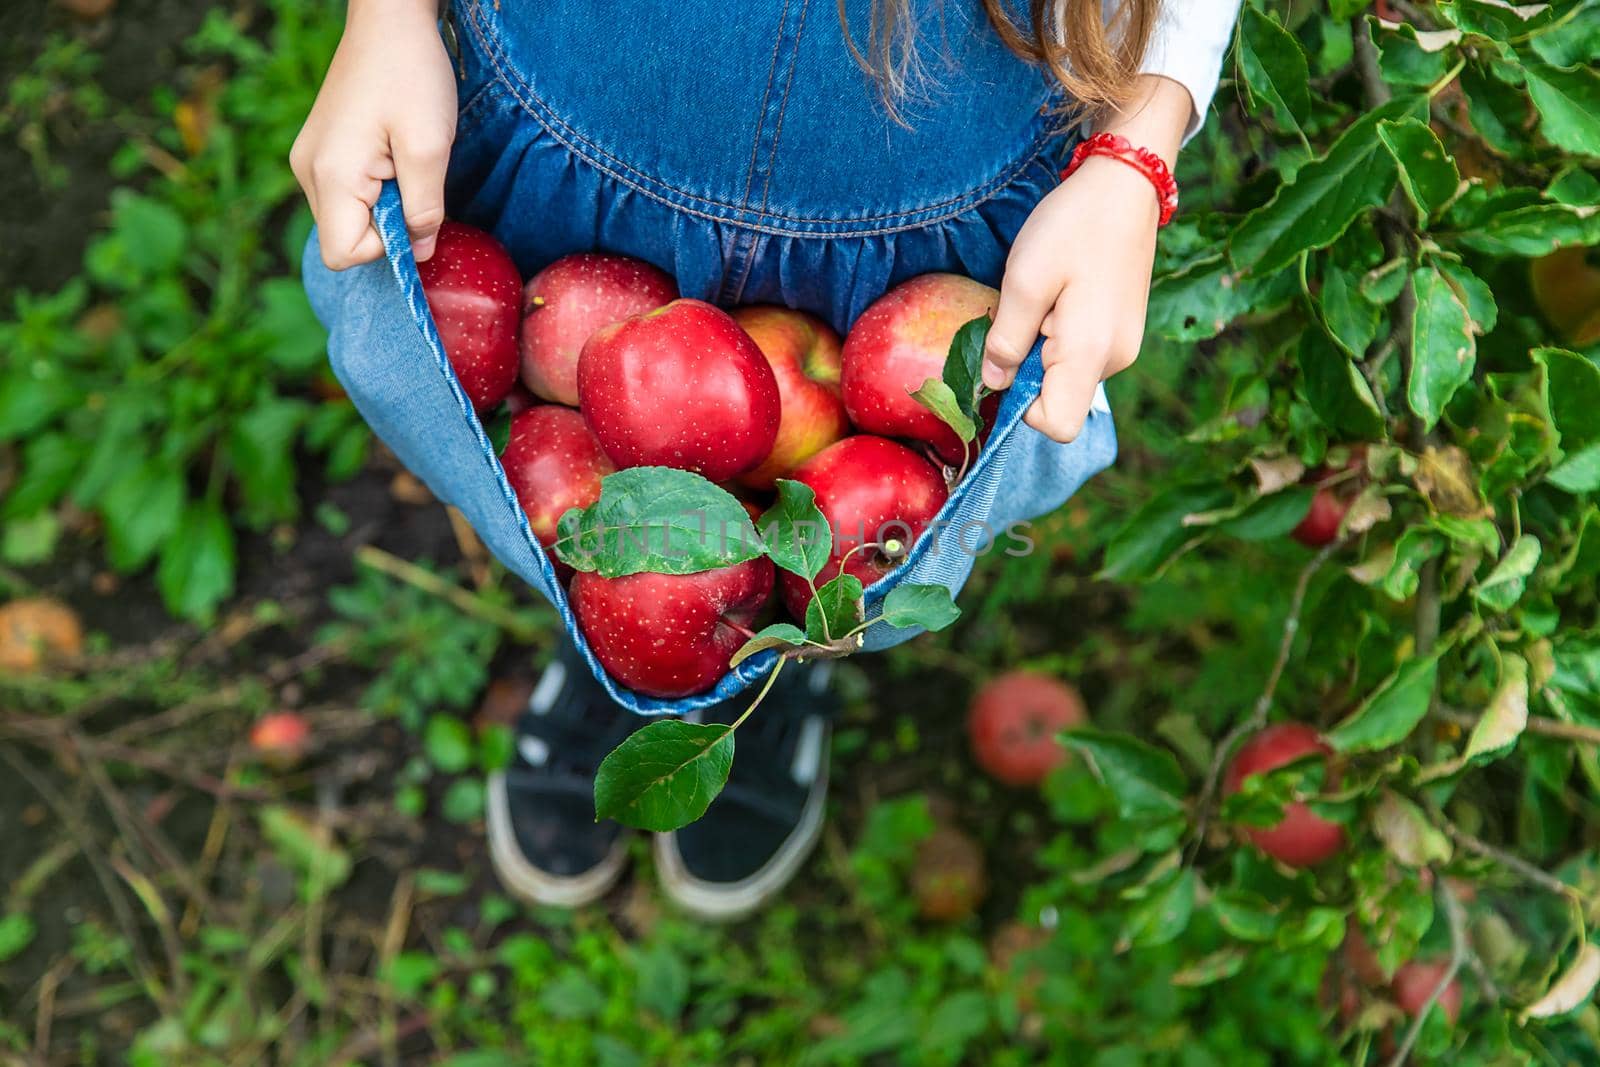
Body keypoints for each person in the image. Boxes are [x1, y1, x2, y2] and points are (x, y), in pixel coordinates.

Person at [291, 0, 1239, 918]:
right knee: (561, 458)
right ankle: (618, 620)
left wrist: (1137, 145)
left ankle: (781, 645)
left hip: (931, 205)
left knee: (850, 533)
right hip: (572, 133)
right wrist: (388, 15)